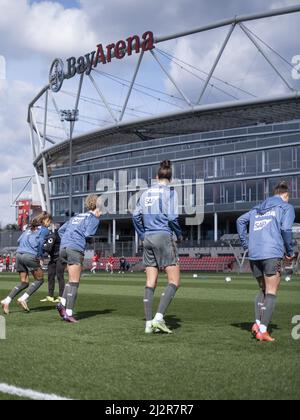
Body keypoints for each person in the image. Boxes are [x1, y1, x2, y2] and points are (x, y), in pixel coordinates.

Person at [237, 181, 295, 342]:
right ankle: (262, 330)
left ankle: (257, 324)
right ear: (285, 196)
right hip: (272, 253)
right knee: (271, 291)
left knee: (263, 288)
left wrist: (246, 244)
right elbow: (286, 229)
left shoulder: (257, 208)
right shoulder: (286, 207)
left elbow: (240, 221)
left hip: (254, 254)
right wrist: (289, 252)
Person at [133, 160, 183, 334]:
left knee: (150, 282)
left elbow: (135, 216)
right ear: (170, 177)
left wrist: (142, 234)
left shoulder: (145, 193)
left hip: (147, 238)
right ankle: (159, 318)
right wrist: (180, 234)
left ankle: (148, 323)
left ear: (156, 176)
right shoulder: (170, 192)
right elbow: (172, 218)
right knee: (174, 281)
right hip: (163, 236)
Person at [56, 195, 102, 323]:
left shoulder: (76, 216)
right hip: (75, 248)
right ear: (97, 206)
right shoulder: (93, 218)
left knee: (70, 280)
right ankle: (69, 313)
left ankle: (61, 304)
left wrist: (67, 240)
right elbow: (88, 234)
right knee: (75, 282)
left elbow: (61, 230)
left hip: (63, 248)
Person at [1, 212, 52, 315]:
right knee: (40, 279)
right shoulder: (44, 230)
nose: (49, 223)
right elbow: (41, 243)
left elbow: (19, 240)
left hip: (19, 255)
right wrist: (40, 256)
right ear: (43, 221)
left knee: (24, 282)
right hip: (30, 255)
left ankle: (6, 300)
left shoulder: (28, 229)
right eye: (49, 221)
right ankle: (23, 298)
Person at [40, 224, 65, 303]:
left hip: (59, 258)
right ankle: (50, 296)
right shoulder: (57, 235)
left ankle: (61, 297)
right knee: (51, 276)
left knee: (59, 277)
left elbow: (48, 247)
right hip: (53, 258)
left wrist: (42, 247)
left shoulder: (53, 235)